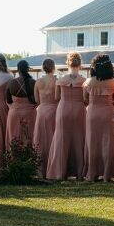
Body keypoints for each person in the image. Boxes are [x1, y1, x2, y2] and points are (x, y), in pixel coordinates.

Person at [46, 52, 88, 181]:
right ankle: (80, 173)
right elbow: (85, 99)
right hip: (79, 110)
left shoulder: (61, 80)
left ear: (67, 63)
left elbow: (56, 97)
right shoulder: (84, 81)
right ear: (80, 64)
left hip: (63, 109)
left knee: (61, 140)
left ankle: (60, 172)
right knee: (79, 139)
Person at [83, 54, 114, 182]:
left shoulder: (89, 82)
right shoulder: (113, 82)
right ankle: (106, 174)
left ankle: (92, 173)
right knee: (108, 143)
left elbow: (85, 100)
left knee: (92, 142)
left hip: (92, 113)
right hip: (108, 113)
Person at [33, 58, 58, 178]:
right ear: (53, 67)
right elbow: (58, 98)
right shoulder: (57, 81)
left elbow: (36, 100)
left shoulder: (38, 82)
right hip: (54, 110)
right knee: (53, 138)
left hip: (42, 111)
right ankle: (53, 168)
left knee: (41, 139)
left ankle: (40, 170)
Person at [5, 59, 38, 149]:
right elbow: (37, 100)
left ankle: (14, 157)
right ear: (28, 69)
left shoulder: (11, 83)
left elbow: (8, 101)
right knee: (29, 138)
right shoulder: (34, 83)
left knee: (14, 139)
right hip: (30, 114)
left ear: (18, 69)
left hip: (14, 114)